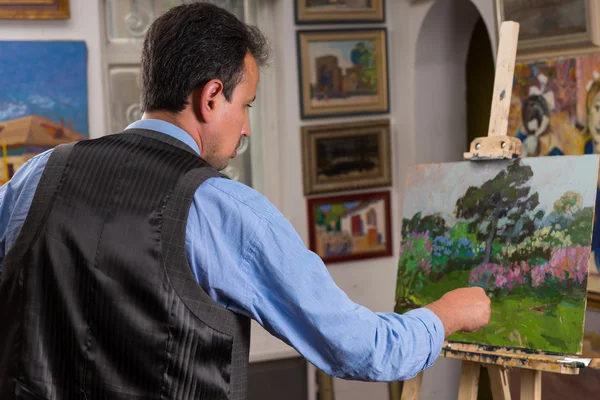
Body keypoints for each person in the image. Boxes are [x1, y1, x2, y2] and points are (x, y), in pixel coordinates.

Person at [0, 3, 490, 399]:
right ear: (212, 97)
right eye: (246, 105)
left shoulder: (38, 175)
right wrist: (445, 313)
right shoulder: (226, 211)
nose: (247, 126)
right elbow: (360, 349)